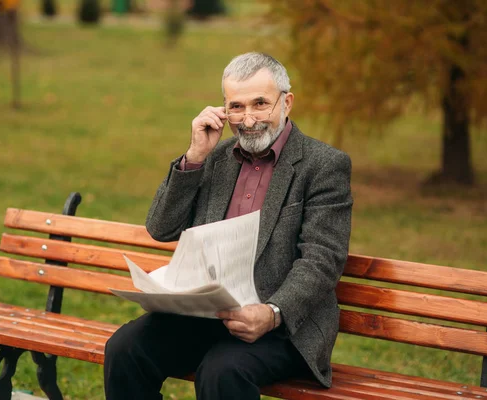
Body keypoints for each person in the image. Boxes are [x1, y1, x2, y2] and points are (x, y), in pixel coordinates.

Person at [104, 52, 353, 399]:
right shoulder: (215, 158)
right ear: (223, 108)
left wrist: (272, 313)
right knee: (124, 349)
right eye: (236, 106)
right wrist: (194, 158)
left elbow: (322, 260)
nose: (248, 120)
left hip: (282, 326)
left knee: (222, 371)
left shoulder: (323, 165)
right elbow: (161, 228)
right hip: (206, 315)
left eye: (260, 103)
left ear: (287, 102)